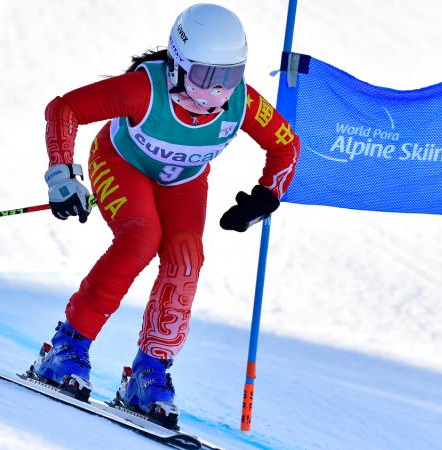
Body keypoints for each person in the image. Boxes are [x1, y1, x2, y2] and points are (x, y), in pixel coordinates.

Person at [28, 4, 300, 429]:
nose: (217, 92)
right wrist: (62, 174)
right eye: (206, 76)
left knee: (186, 256)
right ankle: (67, 346)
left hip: (183, 182)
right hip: (121, 163)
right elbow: (64, 110)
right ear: (176, 64)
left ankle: (148, 372)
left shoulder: (242, 102)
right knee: (140, 238)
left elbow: (286, 145)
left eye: (230, 75)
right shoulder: (144, 89)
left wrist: (266, 196)